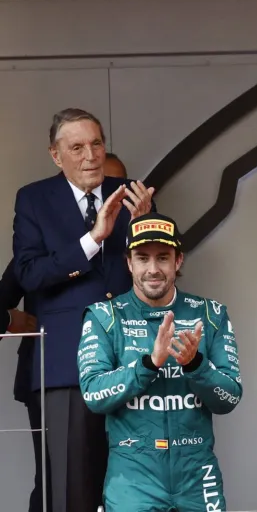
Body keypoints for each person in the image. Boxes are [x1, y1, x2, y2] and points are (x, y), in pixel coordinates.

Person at [12, 107, 154, 512]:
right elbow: (29, 275)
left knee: (139, 485)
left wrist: (144, 226)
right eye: (77, 147)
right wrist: (93, 239)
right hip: (65, 363)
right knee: (71, 488)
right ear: (56, 155)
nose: (90, 155)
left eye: (96, 144)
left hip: (134, 358)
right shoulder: (35, 198)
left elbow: (161, 270)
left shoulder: (131, 192)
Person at [77, 212, 241, 511]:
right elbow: (93, 395)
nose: (153, 269)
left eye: (163, 258)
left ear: (178, 261)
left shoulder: (210, 315)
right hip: (132, 479)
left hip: (197, 475)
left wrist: (196, 366)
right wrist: (148, 364)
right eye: (142, 258)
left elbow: (229, 397)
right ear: (129, 263)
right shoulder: (104, 316)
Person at [0, 150, 128, 512]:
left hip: (127, 369)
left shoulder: (134, 237)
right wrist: (11, 320)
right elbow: (17, 282)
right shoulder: (46, 242)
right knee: (62, 486)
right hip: (57, 372)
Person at [0, 261, 43, 512]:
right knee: (50, 476)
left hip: (118, 374)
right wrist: (5, 318)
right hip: (42, 372)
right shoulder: (37, 237)